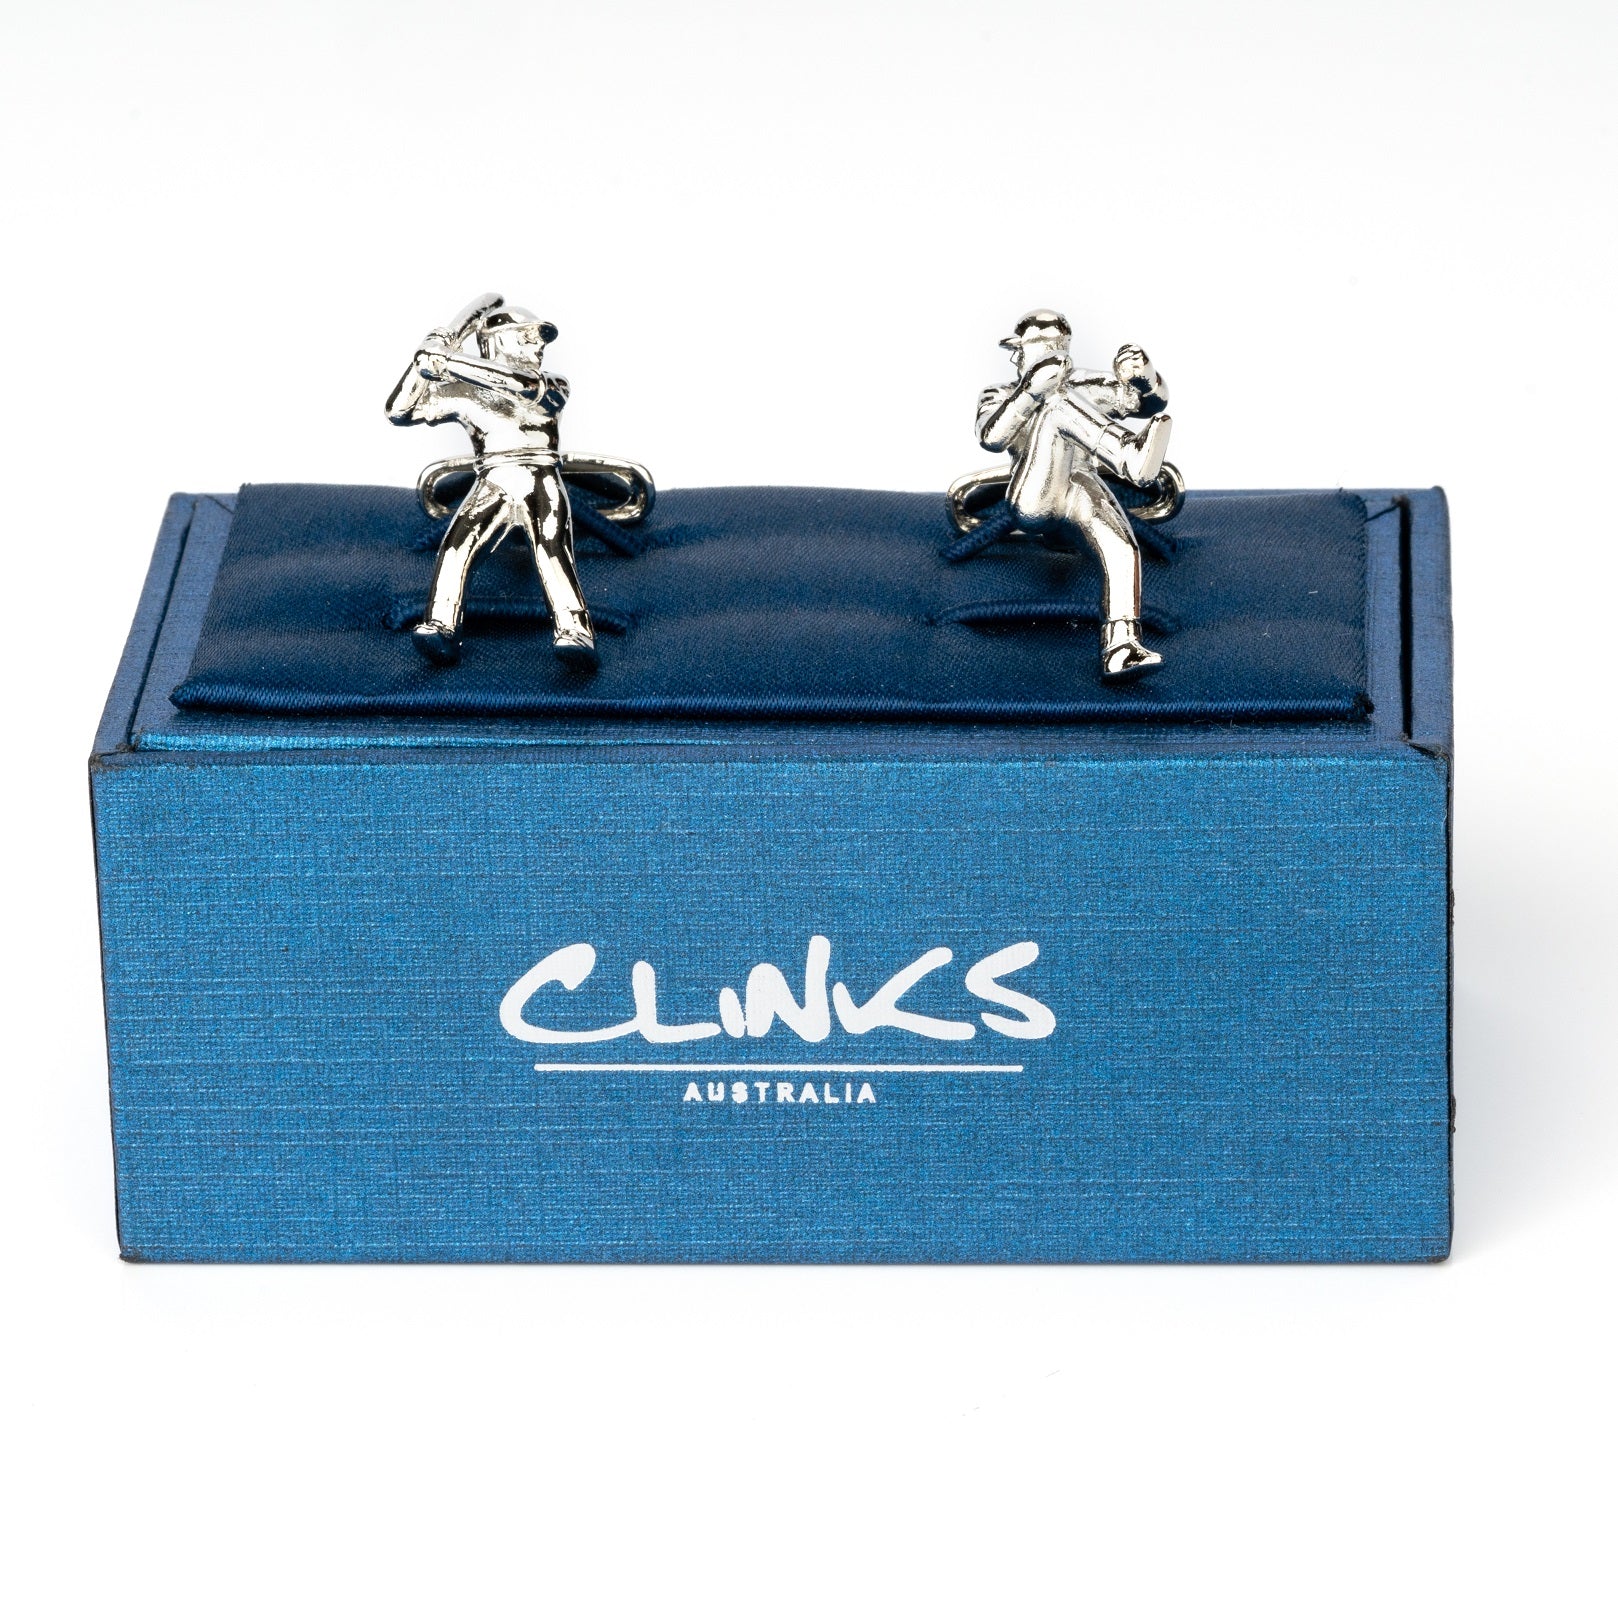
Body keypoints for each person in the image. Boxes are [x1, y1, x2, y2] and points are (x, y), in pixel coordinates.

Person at [386, 294, 595, 666]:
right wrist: (422, 362)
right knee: (455, 548)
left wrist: (448, 360)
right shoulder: (465, 393)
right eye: (528, 336)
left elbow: (520, 386)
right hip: (492, 482)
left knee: (551, 551)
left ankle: (576, 633)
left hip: (540, 479)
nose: (539, 345)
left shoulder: (551, 384)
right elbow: (399, 411)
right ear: (498, 342)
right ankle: (441, 625)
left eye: (539, 338)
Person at [977, 310, 1171, 677]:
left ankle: (1122, 647)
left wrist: (1145, 379)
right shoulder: (1000, 394)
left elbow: (1146, 404)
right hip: (1036, 497)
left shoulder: (1083, 385)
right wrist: (1031, 392)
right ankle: (1127, 457)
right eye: (1025, 350)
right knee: (1055, 407)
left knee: (1121, 546)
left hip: (1080, 489)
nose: (1020, 357)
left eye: (1023, 349)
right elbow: (991, 437)